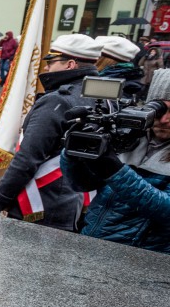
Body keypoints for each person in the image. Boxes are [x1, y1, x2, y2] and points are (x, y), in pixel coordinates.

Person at [0, 33, 98, 230]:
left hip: (42, 202)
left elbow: (29, 157)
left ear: (70, 64)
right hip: (75, 200)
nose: (47, 67)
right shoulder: (99, 96)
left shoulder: (57, 101)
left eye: (52, 61)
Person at [61, 69, 170, 253]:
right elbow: (81, 184)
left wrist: (116, 171)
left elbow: (166, 210)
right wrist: (74, 154)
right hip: (95, 244)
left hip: (144, 258)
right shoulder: (129, 137)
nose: (165, 119)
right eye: (160, 109)